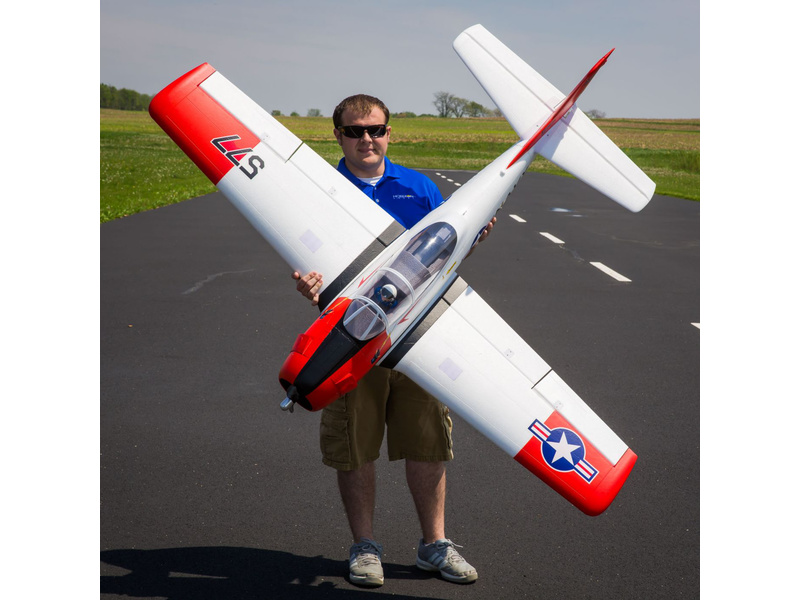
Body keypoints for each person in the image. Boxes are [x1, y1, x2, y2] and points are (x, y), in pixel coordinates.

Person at [292, 94, 495, 588]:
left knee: (428, 441)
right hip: (351, 339)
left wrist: (472, 238)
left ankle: (434, 545)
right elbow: (306, 256)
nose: (367, 139)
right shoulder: (321, 192)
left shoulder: (420, 188)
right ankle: (365, 546)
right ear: (337, 135)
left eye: (376, 130)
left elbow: (446, 252)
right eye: (355, 131)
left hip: (418, 337)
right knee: (354, 444)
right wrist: (308, 283)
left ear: (389, 133)